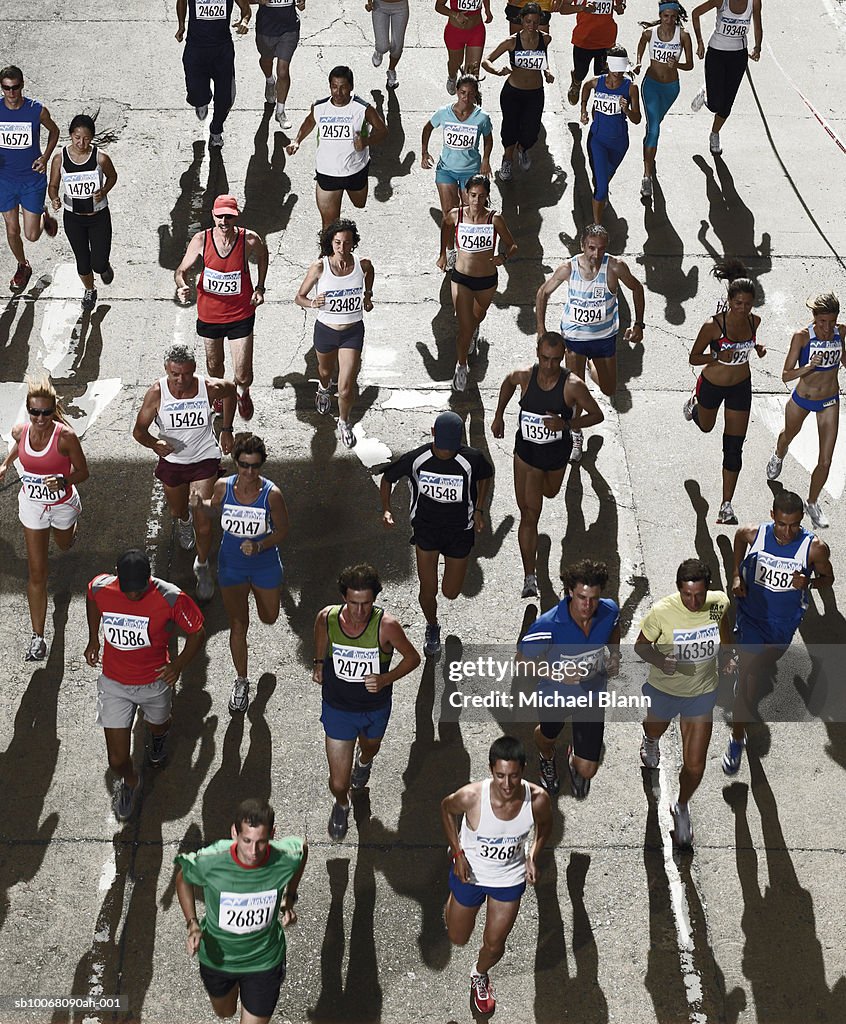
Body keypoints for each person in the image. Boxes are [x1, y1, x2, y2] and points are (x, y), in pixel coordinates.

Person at [86, 549, 206, 821]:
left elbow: (197, 631)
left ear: (149, 579)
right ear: (118, 578)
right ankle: (130, 782)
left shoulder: (170, 596)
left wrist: (177, 666)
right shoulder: (103, 586)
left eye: (139, 590)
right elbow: (91, 596)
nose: (133, 596)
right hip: (114, 683)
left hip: (154, 683)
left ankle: (159, 736)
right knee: (116, 760)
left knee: (159, 725)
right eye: (128, 590)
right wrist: (93, 638)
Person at [722, 491, 834, 776]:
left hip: (782, 626)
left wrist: (808, 581)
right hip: (751, 617)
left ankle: (742, 679)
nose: (787, 532)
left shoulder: (814, 548)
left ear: (801, 520)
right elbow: (737, 539)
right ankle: (737, 738)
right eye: (782, 524)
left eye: (794, 525)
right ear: (772, 515)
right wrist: (736, 574)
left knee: (756, 668)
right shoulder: (753, 534)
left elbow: (829, 578)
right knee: (748, 674)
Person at [440, 736, 551, 1015]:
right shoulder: (471, 796)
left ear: (523, 770)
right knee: (457, 936)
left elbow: (545, 828)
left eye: (514, 776)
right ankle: (454, 904)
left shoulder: (537, 799)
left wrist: (532, 856)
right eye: (500, 775)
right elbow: (445, 809)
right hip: (471, 876)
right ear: (491, 769)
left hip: (508, 880)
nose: (506, 784)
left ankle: (479, 974)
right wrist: (457, 854)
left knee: (494, 944)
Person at [312, 564, 420, 841]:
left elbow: (412, 658)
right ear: (344, 598)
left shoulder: (387, 626)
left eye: (366, 604)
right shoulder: (328, 617)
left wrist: (385, 679)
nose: (360, 612)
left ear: (374, 600)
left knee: (370, 747)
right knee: (338, 781)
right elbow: (320, 632)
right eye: (353, 603)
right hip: (338, 708)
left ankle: (365, 760)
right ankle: (342, 804)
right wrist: (319, 662)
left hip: (375, 708)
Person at [490, 332, 603, 596]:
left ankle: (538, 495)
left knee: (550, 493)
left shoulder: (573, 385)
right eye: (544, 358)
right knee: (529, 515)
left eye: (555, 359)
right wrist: (498, 416)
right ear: (537, 353)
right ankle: (530, 576)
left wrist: (567, 424)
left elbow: (596, 414)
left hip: (555, 456)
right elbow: (507, 383)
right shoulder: (525, 376)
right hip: (526, 455)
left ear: (563, 355)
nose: (549, 365)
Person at [175, 799, 307, 1024]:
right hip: (219, 960)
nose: (253, 851)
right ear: (234, 832)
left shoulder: (284, 857)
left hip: (264, 961)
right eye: (246, 840)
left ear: (272, 834)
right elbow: (183, 878)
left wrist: (289, 897)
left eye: (261, 842)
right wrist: (192, 924)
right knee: (225, 1012)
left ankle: (249, 989)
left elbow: (302, 850)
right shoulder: (211, 860)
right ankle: (236, 988)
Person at [634, 558, 734, 848]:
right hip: (665, 690)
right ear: (679, 589)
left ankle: (682, 806)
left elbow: (724, 628)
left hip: (701, 693)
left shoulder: (718, 603)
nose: (693, 601)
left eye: (699, 595)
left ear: (708, 589)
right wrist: (661, 660)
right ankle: (649, 740)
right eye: (687, 594)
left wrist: (728, 656)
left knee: (695, 766)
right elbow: (641, 646)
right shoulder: (662, 612)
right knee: (655, 729)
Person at [380, 411, 493, 657]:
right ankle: (432, 626)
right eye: (441, 448)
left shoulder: (471, 459)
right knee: (427, 589)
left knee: (450, 592)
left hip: (459, 532)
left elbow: (486, 475)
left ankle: (449, 585)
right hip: (426, 529)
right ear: (432, 434)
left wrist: (480, 510)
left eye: (450, 449)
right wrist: (387, 509)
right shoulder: (416, 459)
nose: (445, 453)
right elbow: (388, 478)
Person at [190, 433, 289, 714]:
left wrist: (259, 545)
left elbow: (283, 530)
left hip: (264, 563)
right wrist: (200, 505)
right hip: (231, 563)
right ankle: (242, 681)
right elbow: (215, 509)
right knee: (237, 623)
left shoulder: (273, 495)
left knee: (269, 617)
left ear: (262, 465)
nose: (248, 472)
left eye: (254, 466)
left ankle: (264, 600)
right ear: (235, 463)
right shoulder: (223, 486)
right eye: (244, 465)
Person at [132, 343, 237, 601]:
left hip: (204, 459)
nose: (181, 380)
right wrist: (154, 444)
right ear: (166, 371)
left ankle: (202, 566)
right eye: (175, 374)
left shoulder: (208, 388)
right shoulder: (156, 394)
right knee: (178, 510)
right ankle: (183, 522)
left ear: (195, 369)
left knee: (204, 520)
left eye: (187, 374)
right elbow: (139, 432)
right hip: (174, 463)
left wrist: (226, 428)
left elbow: (232, 391)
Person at [536, 222, 645, 462]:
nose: (596, 254)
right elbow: (543, 292)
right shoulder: (568, 268)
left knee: (608, 388)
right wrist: (541, 329)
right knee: (576, 393)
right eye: (591, 248)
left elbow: (637, 288)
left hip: (604, 339)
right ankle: (576, 434)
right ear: (582, 245)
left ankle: (590, 365)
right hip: (574, 339)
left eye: (601, 249)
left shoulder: (614, 267)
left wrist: (638, 324)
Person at [0, 376, 88, 661]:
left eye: (46, 412)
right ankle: (38, 637)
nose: (40, 418)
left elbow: (82, 472)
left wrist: (63, 481)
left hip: (62, 505)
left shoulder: (65, 438)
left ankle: (71, 530)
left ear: (54, 410)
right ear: (28, 410)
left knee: (64, 545)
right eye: (34, 412)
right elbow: (19, 447)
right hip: (33, 506)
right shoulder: (20, 431)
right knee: (37, 573)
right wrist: (5, 464)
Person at [518, 561, 620, 798]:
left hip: (592, 695)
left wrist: (614, 653)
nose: (588, 605)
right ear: (570, 592)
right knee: (546, 737)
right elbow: (521, 661)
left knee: (588, 770)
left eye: (593, 598)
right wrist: (555, 674)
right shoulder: (547, 625)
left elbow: (615, 627)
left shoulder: (609, 610)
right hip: (555, 696)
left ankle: (575, 756)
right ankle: (546, 757)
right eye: (581, 597)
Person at [175, 193, 269, 421]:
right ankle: (219, 394)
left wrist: (260, 287)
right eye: (220, 217)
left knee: (243, 373)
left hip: (240, 314)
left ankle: (242, 393)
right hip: (210, 316)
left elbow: (263, 256)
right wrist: (182, 286)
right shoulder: (201, 240)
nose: (224, 222)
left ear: (236, 217)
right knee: (214, 366)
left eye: (229, 217)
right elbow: (181, 271)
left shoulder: (249, 239)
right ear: (213, 216)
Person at [681, 267, 764, 525]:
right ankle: (694, 406)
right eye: (738, 303)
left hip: (740, 386)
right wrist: (717, 356)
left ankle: (726, 505)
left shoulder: (755, 321)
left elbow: (747, 344)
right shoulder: (713, 325)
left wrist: (756, 347)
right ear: (729, 301)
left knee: (733, 448)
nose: (743, 308)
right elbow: (693, 357)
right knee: (706, 427)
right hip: (712, 385)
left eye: (748, 304)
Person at [766, 294, 845, 530]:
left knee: (826, 459)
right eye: (822, 322)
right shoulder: (801, 337)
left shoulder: (842, 332)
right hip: (802, 399)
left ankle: (812, 502)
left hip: (830, 400)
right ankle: (779, 454)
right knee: (788, 435)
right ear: (814, 319)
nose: (827, 328)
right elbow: (786, 374)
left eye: (831, 322)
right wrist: (810, 366)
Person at [294, 218, 374, 449]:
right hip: (326, 331)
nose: (342, 248)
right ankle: (322, 388)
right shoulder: (320, 267)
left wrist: (367, 295)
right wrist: (312, 303)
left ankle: (344, 421)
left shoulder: (362, 264)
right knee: (325, 371)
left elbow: (370, 272)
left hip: (352, 332)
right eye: (337, 243)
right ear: (331, 243)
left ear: (353, 243)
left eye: (347, 243)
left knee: (347, 385)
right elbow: (298, 297)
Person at [438, 174, 517, 392]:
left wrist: (503, 257)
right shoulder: (456, 215)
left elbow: (512, 245)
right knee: (464, 326)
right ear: (465, 194)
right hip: (461, 278)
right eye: (472, 195)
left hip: (487, 281)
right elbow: (445, 227)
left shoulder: (494, 219)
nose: (476, 200)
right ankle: (461, 366)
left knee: (476, 318)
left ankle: (474, 331)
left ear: (487, 196)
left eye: (481, 196)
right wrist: (444, 254)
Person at [286, 66, 388, 229]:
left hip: (355, 171)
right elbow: (310, 121)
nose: (338, 93)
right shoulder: (319, 107)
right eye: (334, 87)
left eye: (343, 87)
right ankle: (328, 253)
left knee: (359, 204)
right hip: (327, 173)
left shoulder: (363, 108)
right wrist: (297, 140)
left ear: (351, 87)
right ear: (330, 87)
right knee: (329, 224)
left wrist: (366, 141)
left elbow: (383, 131)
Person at [47, 113, 117, 311]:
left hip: (99, 217)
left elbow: (112, 177)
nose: (81, 142)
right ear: (70, 135)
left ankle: (103, 266)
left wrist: (103, 190)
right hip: (73, 218)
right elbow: (52, 185)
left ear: (92, 138)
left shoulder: (101, 158)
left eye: (86, 138)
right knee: (83, 262)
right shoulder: (60, 158)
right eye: (77, 137)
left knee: (98, 262)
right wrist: (54, 198)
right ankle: (90, 290)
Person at [0, 65, 59, 291]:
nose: (11, 93)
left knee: (32, 235)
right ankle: (23, 266)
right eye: (6, 88)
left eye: (15, 88)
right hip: (5, 180)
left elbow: (54, 131)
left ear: (22, 85)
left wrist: (45, 157)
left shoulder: (36, 110)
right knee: (12, 229)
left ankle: (42, 215)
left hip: (32, 180)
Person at [481, 3, 555, 181]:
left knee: (531, 129)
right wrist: (498, 71)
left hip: (535, 93)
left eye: (536, 22)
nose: (532, 26)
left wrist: (547, 71)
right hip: (513, 92)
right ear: (521, 20)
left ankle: (523, 149)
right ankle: (507, 159)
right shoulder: (512, 41)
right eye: (528, 21)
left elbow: (542, 59)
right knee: (510, 127)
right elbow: (486, 60)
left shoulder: (545, 39)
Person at [632, 2, 694, 198]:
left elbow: (690, 65)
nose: (669, 20)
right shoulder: (650, 33)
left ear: (677, 17)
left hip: (671, 89)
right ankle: (646, 176)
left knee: (654, 125)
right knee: (654, 130)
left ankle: (649, 145)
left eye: (673, 17)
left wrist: (678, 65)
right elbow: (641, 44)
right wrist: (639, 62)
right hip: (650, 85)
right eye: (665, 16)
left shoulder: (683, 36)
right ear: (660, 15)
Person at [690, 0, 763, 155]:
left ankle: (714, 134)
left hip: (738, 56)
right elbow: (696, 13)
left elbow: (757, 24)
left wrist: (757, 47)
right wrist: (700, 42)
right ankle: (706, 91)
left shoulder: (754, 2)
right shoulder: (721, 1)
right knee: (715, 104)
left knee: (726, 105)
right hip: (717, 53)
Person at [175, 0, 251, 148]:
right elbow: (182, 1)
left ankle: (216, 131)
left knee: (226, 98)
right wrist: (181, 26)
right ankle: (201, 100)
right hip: (196, 48)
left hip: (222, 50)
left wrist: (245, 20)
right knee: (196, 92)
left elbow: (246, 8)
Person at [580, 46, 641, 224]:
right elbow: (585, 86)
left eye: (621, 68)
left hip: (619, 144)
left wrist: (627, 109)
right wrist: (583, 109)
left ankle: (601, 187)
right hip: (597, 141)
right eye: (614, 67)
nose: (618, 72)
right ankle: (597, 227)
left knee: (604, 177)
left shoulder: (631, 88)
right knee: (601, 190)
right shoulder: (597, 82)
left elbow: (637, 119)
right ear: (607, 64)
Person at [421, 75, 493, 222]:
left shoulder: (482, 117)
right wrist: (424, 153)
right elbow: (427, 128)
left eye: (471, 93)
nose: (466, 97)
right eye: (463, 92)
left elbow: (488, 139)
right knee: (449, 214)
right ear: (457, 91)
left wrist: (486, 160)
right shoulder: (444, 113)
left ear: (475, 94)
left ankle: (466, 243)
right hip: (446, 170)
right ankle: (449, 246)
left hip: (471, 171)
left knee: (473, 214)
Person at [558, 0, 627, 107]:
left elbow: (620, 6)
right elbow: (562, 9)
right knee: (581, 73)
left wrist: (620, 7)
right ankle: (576, 81)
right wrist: (582, 8)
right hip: (584, 42)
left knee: (602, 79)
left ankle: (601, 109)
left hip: (606, 42)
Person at [255, 0, 306, 131]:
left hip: (289, 29)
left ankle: (280, 111)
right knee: (266, 61)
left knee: (283, 72)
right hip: (266, 29)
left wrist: (301, 3)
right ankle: (270, 81)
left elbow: (301, 3)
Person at [436, 0, 493, 94]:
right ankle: (452, 77)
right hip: (455, 32)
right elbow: (439, 6)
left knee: (472, 74)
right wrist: (456, 15)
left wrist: (487, 10)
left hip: (476, 31)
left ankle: (468, 104)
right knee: (456, 63)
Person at [366, 0, 410, 90]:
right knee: (382, 46)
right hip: (379, 6)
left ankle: (391, 70)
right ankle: (379, 51)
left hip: (401, 7)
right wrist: (369, 2)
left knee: (397, 47)